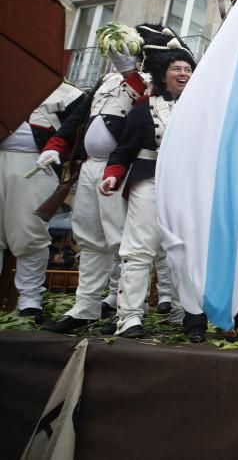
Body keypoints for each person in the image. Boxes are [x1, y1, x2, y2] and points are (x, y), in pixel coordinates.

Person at [40, 26, 156, 333]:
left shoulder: (147, 81)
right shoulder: (104, 81)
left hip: (121, 167)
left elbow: (147, 107)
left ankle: (126, 307)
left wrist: (131, 72)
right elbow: (78, 119)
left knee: (124, 241)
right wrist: (55, 146)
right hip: (91, 167)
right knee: (90, 240)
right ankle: (86, 306)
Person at [99, 32, 203, 341]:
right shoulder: (144, 107)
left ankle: (192, 316)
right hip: (150, 180)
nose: (183, 73)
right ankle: (130, 316)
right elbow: (124, 149)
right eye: (177, 68)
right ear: (163, 74)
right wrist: (113, 174)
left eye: (188, 69)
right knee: (138, 250)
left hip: (186, 187)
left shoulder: (203, 109)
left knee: (187, 252)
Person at [0, 82, 85, 324]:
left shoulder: (69, 94)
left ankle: (29, 300)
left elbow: (75, 130)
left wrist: (61, 153)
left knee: (30, 233)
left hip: (36, 166)